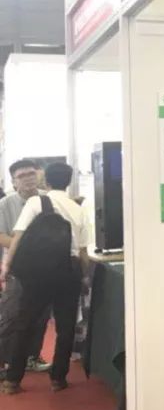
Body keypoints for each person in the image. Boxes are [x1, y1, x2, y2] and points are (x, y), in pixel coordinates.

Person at [0, 162, 88, 393]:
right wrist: (84, 276)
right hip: (68, 271)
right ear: (68, 182)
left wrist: (7, 265)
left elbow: (18, 237)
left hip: (38, 272)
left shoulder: (36, 202)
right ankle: (58, 379)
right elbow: (82, 250)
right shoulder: (78, 208)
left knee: (24, 322)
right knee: (65, 326)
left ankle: (12, 380)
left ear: (45, 181)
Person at [0, 159, 51, 375]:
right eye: (22, 176)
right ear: (13, 182)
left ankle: (32, 357)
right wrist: (26, 246)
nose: (28, 179)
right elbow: (1, 235)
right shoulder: (5, 204)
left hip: (46, 267)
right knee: (12, 315)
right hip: (17, 268)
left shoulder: (48, 199)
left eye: (31, 173)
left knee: (40, 315)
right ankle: (3, 361)